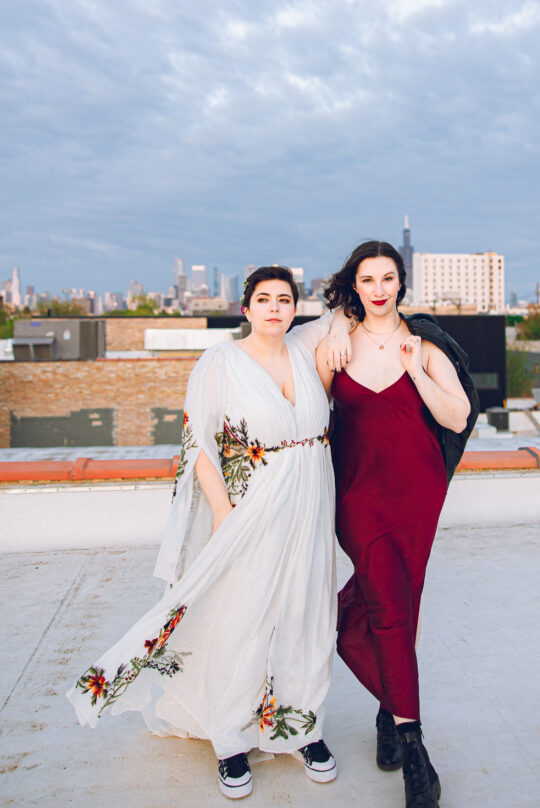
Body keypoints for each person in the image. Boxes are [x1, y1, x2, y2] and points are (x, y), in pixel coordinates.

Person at [67, 266, 351, 800]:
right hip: (253, 506)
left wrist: (334, 329)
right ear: (245, 310)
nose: (273, 308)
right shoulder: (220, 361)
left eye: (284, 299)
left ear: (296, 309)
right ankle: (231, 738)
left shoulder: (305, 347)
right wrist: (222, 513)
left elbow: (350, 309)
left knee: (306, 614)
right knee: (241, 616)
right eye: (262, 299)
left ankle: (301, 728)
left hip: (312, 499)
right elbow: (198, 442)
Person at [315, 241, 471, 808]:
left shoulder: (423, 342)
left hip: (416, 493)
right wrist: (334, 324)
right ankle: (416, 750)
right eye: (367, 279)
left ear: (401, 283)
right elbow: (312, 417)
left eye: (387, 278)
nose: (378, 288)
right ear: (353, 286)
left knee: (403, 601)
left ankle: (390, 716)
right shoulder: (332, 343)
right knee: (384, 601)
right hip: (357, 496)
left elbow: (456, 414)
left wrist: (416, 369)